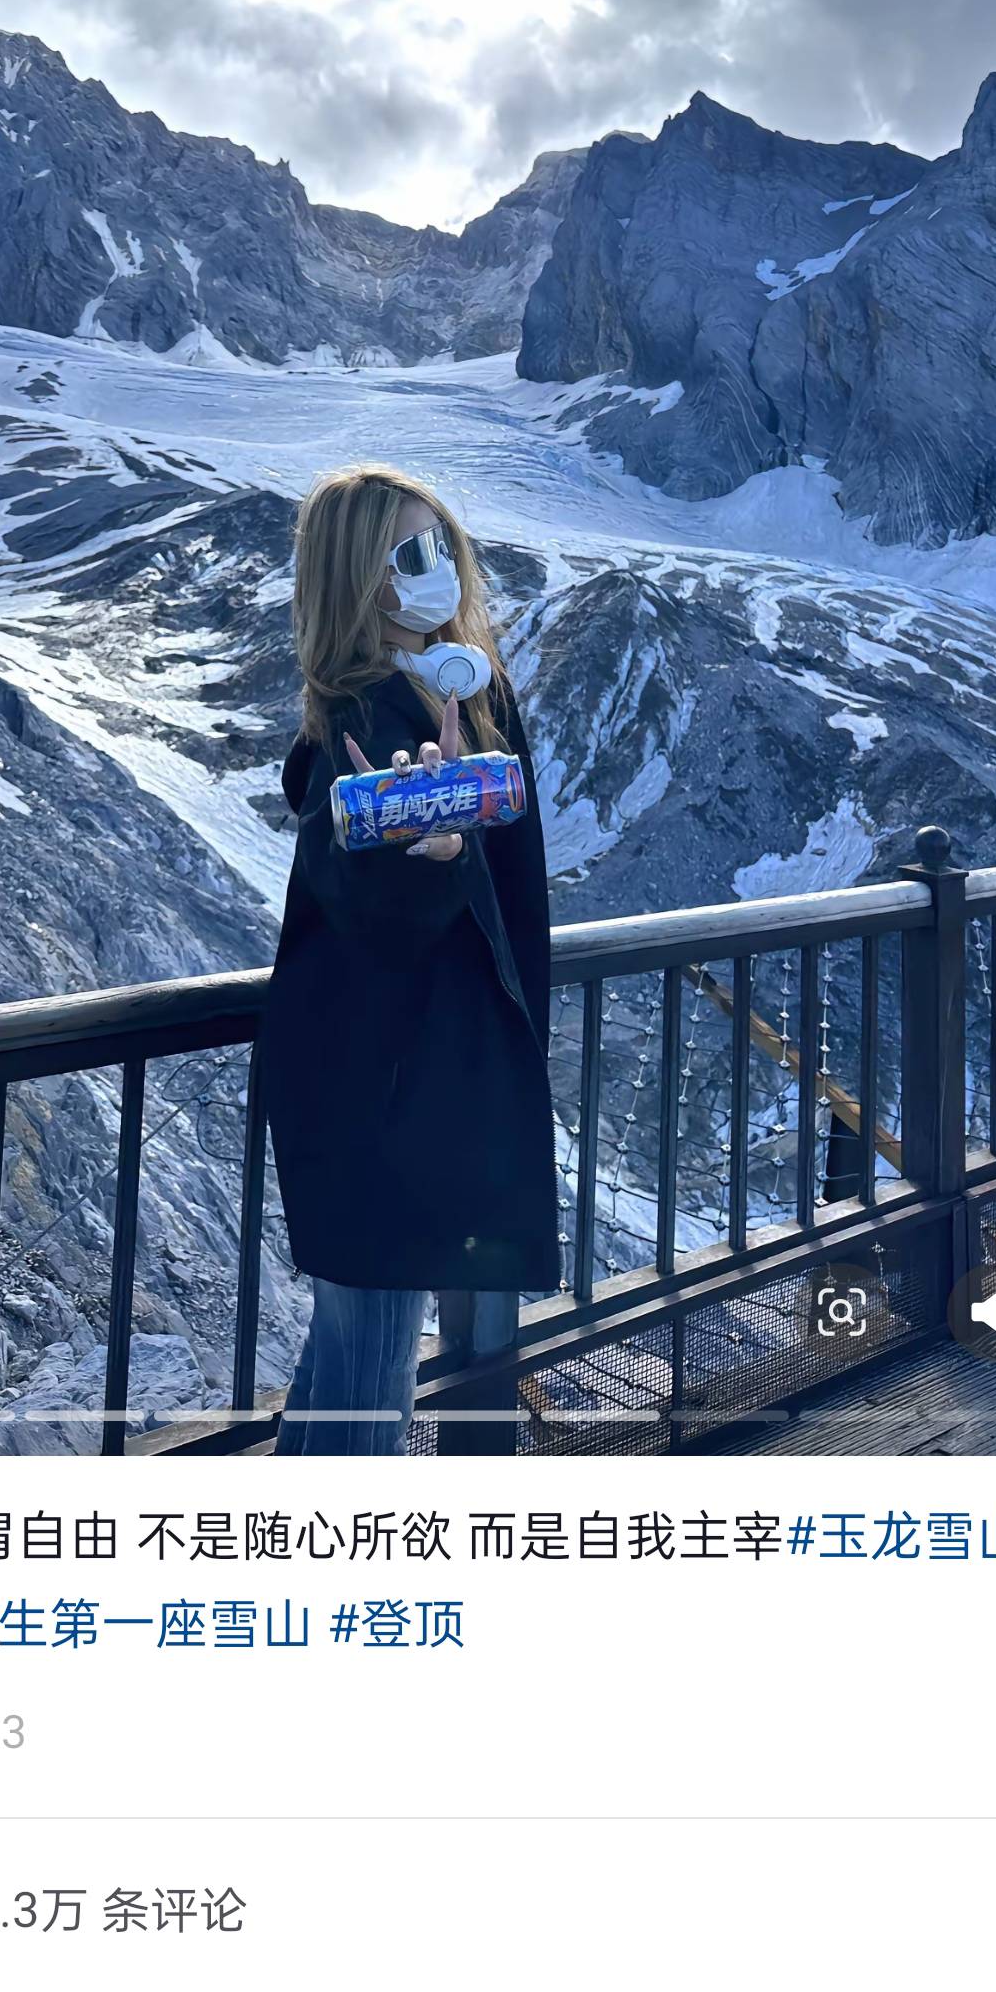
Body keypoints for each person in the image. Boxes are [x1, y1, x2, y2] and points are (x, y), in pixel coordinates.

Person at [264, 463, 559, 1454]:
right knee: (369, 1379)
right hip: (379, 1100)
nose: (442, 568)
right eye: (411, 552)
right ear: (360, 578)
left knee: (352, 1362)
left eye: (445, 544)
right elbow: (359, 903)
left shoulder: (464, 696)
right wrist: (419, 861)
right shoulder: (360, 720)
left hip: (409, 1091)